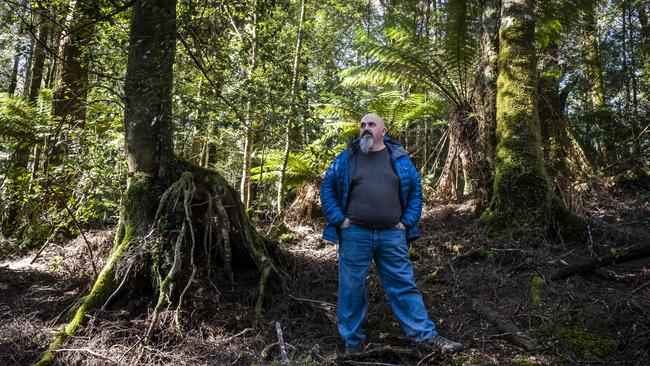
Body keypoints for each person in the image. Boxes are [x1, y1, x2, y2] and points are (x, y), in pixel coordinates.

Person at [320, 113, 463, 354]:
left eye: (371, 125)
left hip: (392, 235)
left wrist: (406, 222)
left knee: (403, 285)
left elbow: (416, 191)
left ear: (383, 131)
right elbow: (327, 188)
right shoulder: (347, 158)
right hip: (355, 234)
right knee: (351, 288)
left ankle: (425, 336)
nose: (366, 128)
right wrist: (339, 220)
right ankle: (352, 342)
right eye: (363, 125)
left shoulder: (399, 158)